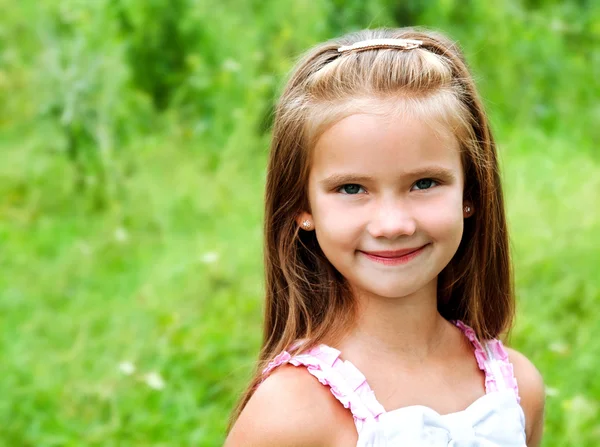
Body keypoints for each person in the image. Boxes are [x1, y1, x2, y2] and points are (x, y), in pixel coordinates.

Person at [225, 27, 545, 446]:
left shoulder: (518, 388)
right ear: (302, 207)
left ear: (471, 192)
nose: (393, 224)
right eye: (352, 189)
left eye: (425, 183)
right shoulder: (290, 412)